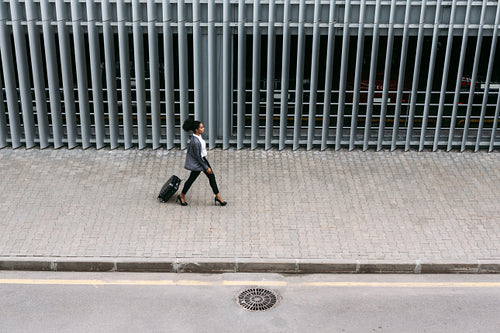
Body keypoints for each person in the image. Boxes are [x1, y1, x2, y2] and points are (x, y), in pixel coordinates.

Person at [177, 119, 227, 206]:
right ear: (196, 130)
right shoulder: (195, 142)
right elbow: (198, 157)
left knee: (210, 177)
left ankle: (218, 197)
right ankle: (181, 196)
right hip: (199, 162)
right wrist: (206, 167)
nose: (203, 128)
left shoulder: (198, 137)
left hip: (202, 160)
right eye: (201, 127)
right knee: (192, 179)